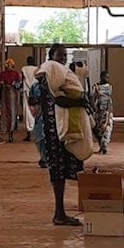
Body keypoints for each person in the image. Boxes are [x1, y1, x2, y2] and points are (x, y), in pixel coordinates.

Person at [35, 44, 97, 226]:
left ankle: (62, 212)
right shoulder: (48, 74)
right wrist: (80, 99)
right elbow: (59, 100)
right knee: (58, 170)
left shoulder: (58, 73)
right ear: (51, 55)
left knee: (66, 168)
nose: (63, 58)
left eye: (64, 55)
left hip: (63, 128)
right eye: (59, 55)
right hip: (55, 131)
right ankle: (59, 213)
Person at [0, 58, 23, 141]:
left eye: (10, 65)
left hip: (11, 94)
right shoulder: (5, 74)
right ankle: (9, 131)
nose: (9, 67)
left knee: (11, 113)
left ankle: (10, 132)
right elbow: (2, 86)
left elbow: (18, 85)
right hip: (8, 94)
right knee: (8, 113)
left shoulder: (14, 74)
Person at [91, 70, 114, 155]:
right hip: (98, 112)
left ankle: (104, 146)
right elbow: (93, 99)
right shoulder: (96, 87)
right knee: (97, 129)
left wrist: (109, 111)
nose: (107, 79)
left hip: (107, 111)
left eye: (108, 77)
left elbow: (109, 100)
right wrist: (93, 108)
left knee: (107, 129)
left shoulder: (109, 87)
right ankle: (102, 144)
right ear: (101, 77)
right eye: (106, 77)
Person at [20, 56, 39, 142]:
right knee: (36, 111)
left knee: (27, 111)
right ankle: (36, 134)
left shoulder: (24, 69)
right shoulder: (37, 69)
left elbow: (21, 79)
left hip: (26, 91)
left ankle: (28, 133)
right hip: (35, 92)